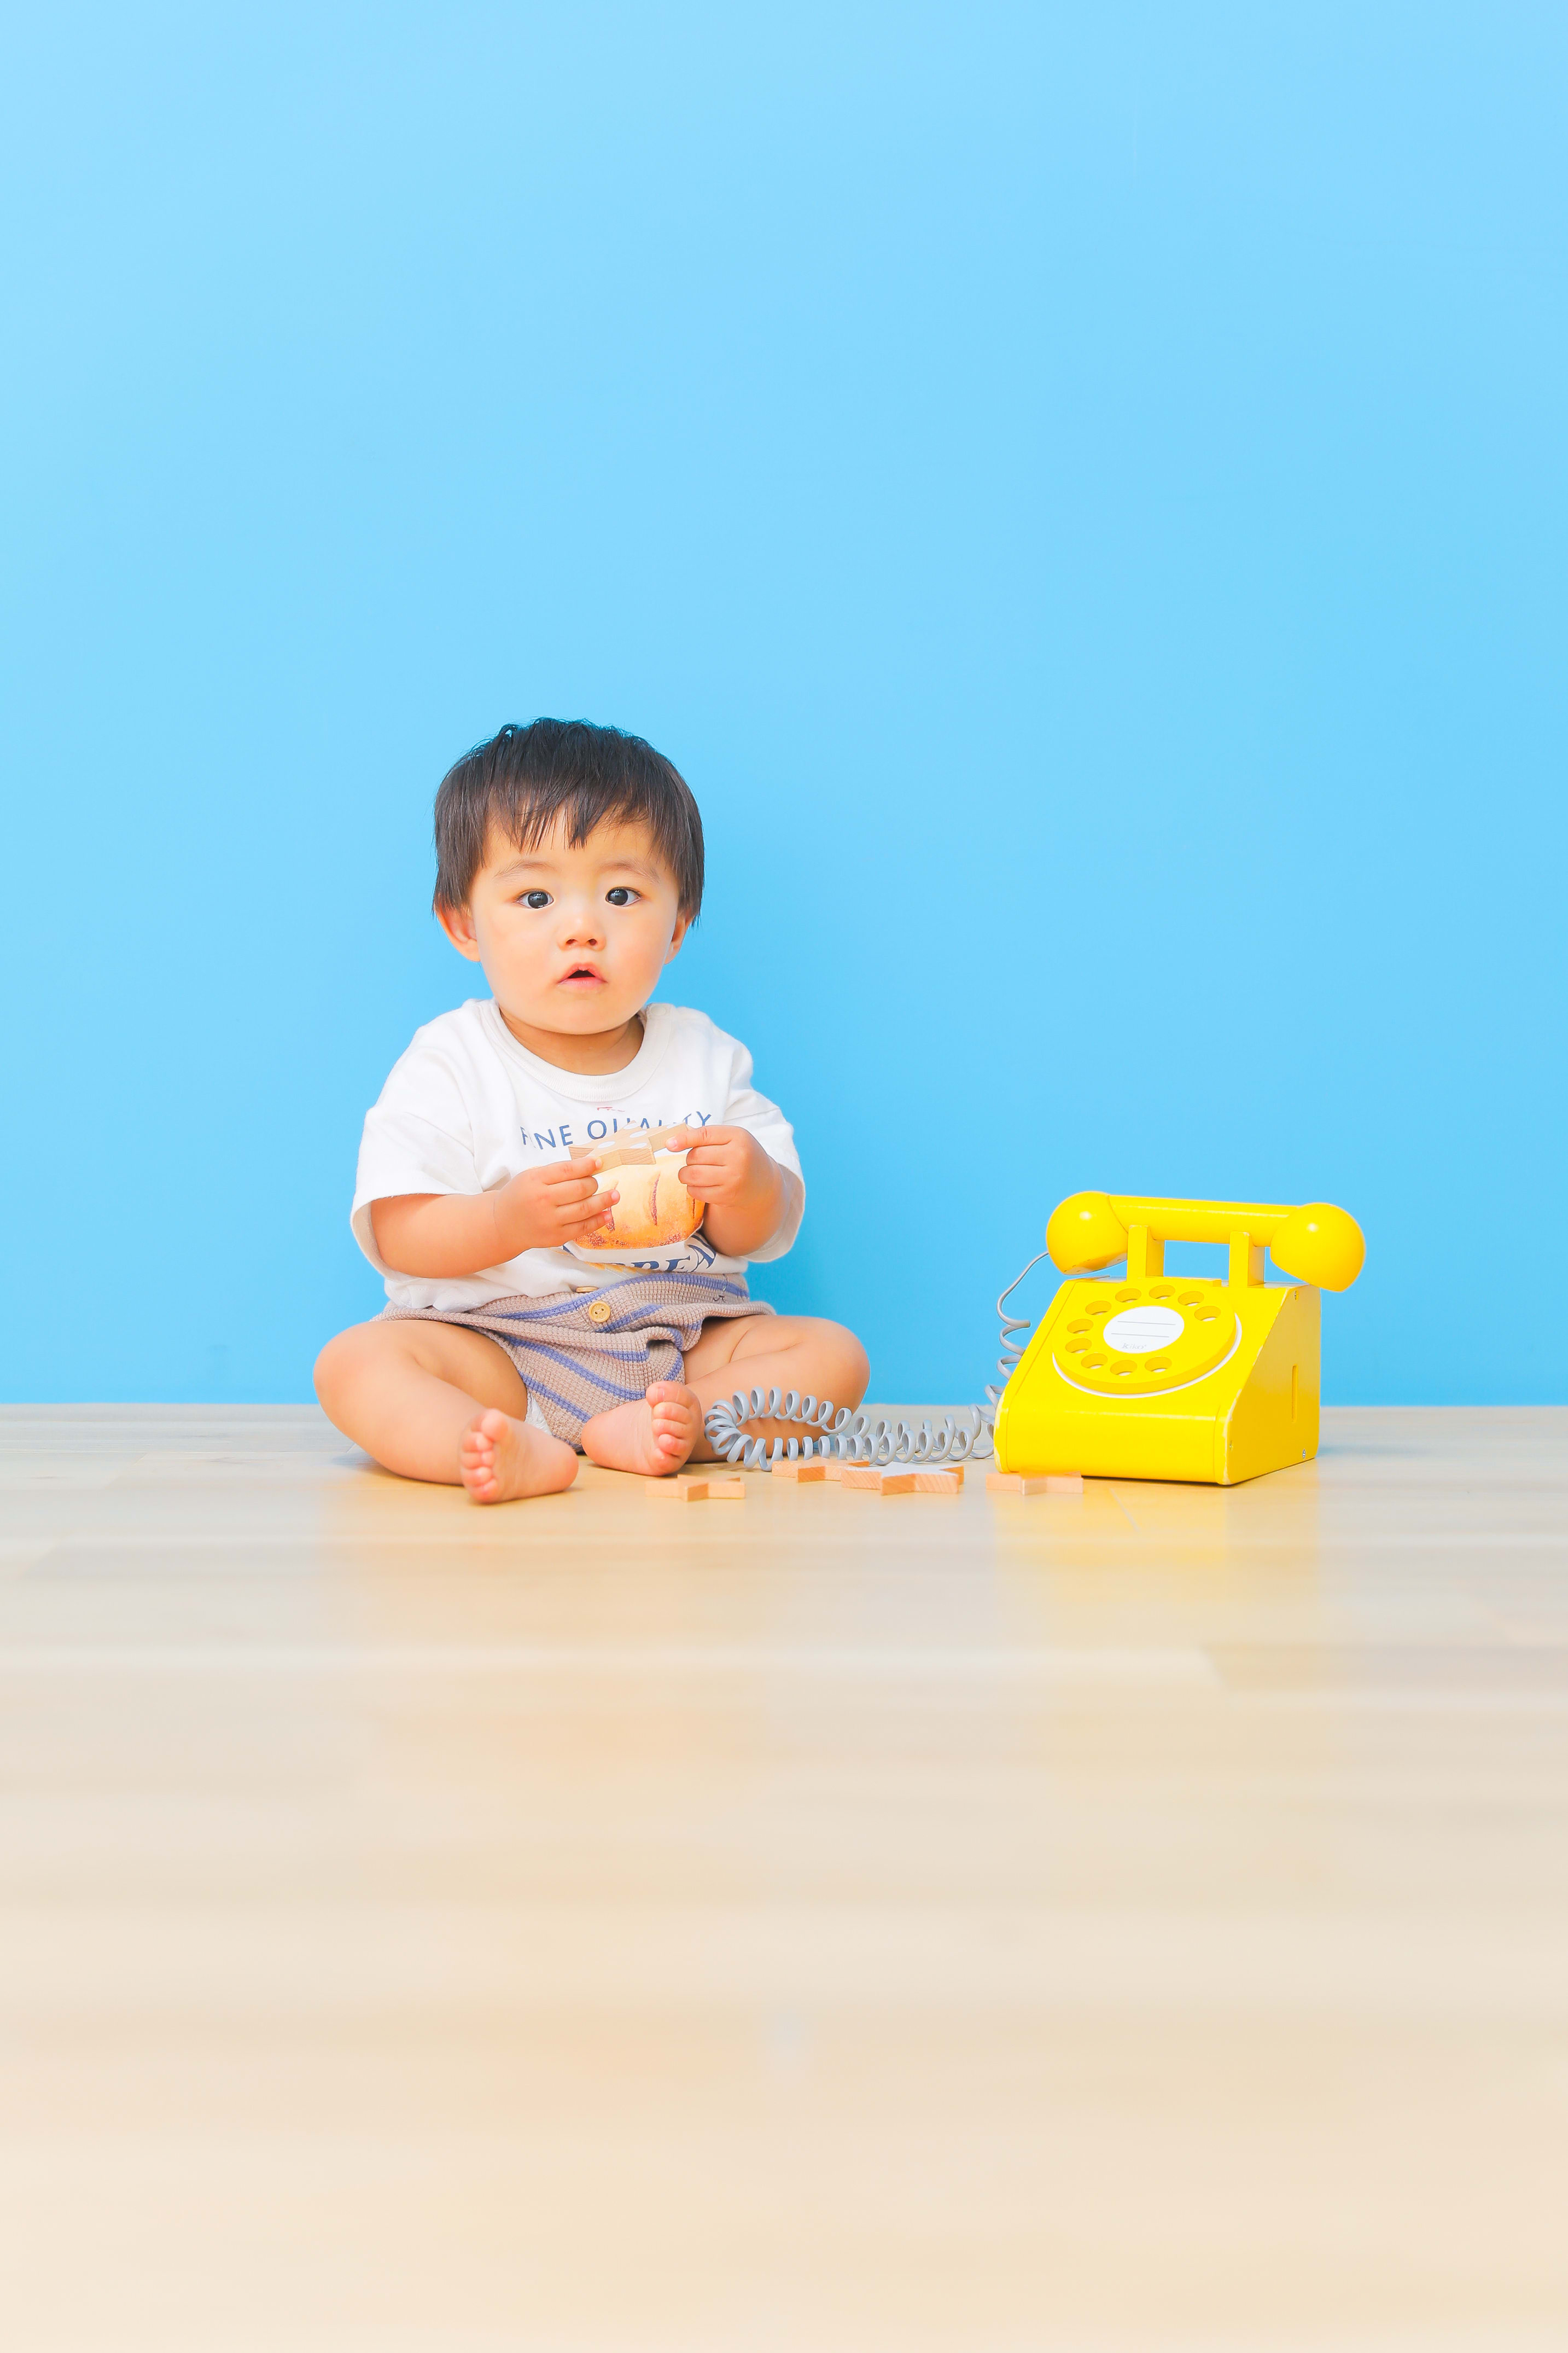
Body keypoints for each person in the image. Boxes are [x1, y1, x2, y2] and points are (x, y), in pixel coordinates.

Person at [314, 719, 868, 1502]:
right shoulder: (451, 1060)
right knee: (355, 1366)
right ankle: (501, 1445)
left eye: (621, 894)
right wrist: (506, 1221)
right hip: (503, 1343)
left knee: (831, 1355)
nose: (582, 927)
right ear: (464, 923)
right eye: (535, 896)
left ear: (676, 925)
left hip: (678, 1338)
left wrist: (746, 1183)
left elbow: (758, 1235)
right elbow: (400, 1234)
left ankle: (684, 1422)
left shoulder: (704, 1056)